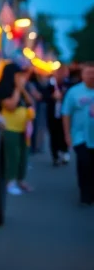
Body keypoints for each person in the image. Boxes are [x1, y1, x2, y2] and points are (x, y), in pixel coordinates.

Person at [0, 63, 36, 195]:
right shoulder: (3, 88)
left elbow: (30, 102)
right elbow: (10, 105)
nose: (21, 77)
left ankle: (20, 179)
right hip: (9, 128)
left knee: (23, 155)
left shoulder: (21, 89)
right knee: (12, 155)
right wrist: (18, 89)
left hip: (23, 129)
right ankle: (10, 182)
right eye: (18, 75)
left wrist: (22, 89)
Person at [61, 62, 94, 206]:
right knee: (84, 163)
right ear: (82, 75)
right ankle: (85, 193)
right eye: (88, 73)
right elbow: (66, 113)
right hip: (80, 136)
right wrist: (67, 134)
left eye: (93, 73)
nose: (91, 76)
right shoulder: (74, 92)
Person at [44, 65, 71, 166]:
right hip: (52, 114)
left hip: (64, 114)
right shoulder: (50, 84)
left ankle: (65, 151)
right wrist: (52, 96)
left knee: (64, 133)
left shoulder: (68, 84)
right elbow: (44, 96)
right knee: (53, 135)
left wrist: (63, 96)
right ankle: (55, 156)